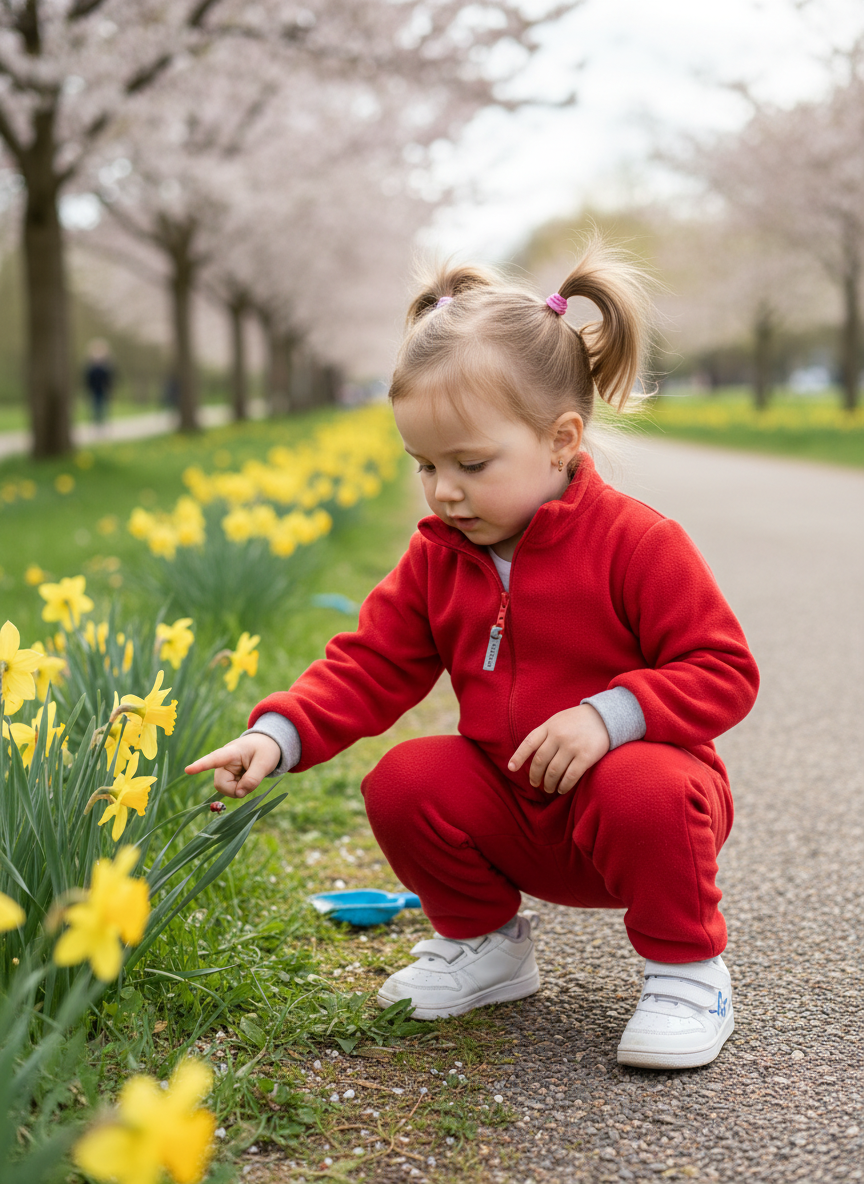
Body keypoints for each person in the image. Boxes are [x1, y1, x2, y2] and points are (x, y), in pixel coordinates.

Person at [186, 240, 759, 1071]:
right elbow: (370, 663)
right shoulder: (440, 557)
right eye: (424, 465)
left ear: (561, 439)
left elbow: (723, 669)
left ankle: (687, 970)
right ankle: (488, 949)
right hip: (512, 807)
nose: (444, 490)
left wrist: (611, 717)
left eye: (471, 464)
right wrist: (278, 735)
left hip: (636, 814)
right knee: (406, 779)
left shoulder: (637, 544)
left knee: (646, 785)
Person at [83, 339, 115, 424]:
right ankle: (96, 421)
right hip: (94, 389)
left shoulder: (105, 367)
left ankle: (102, 422)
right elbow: (88, 378)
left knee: (103, 406)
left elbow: (109, 378)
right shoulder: (91, 368)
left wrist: (109, 387)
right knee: (95, 406)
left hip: (103, 389)